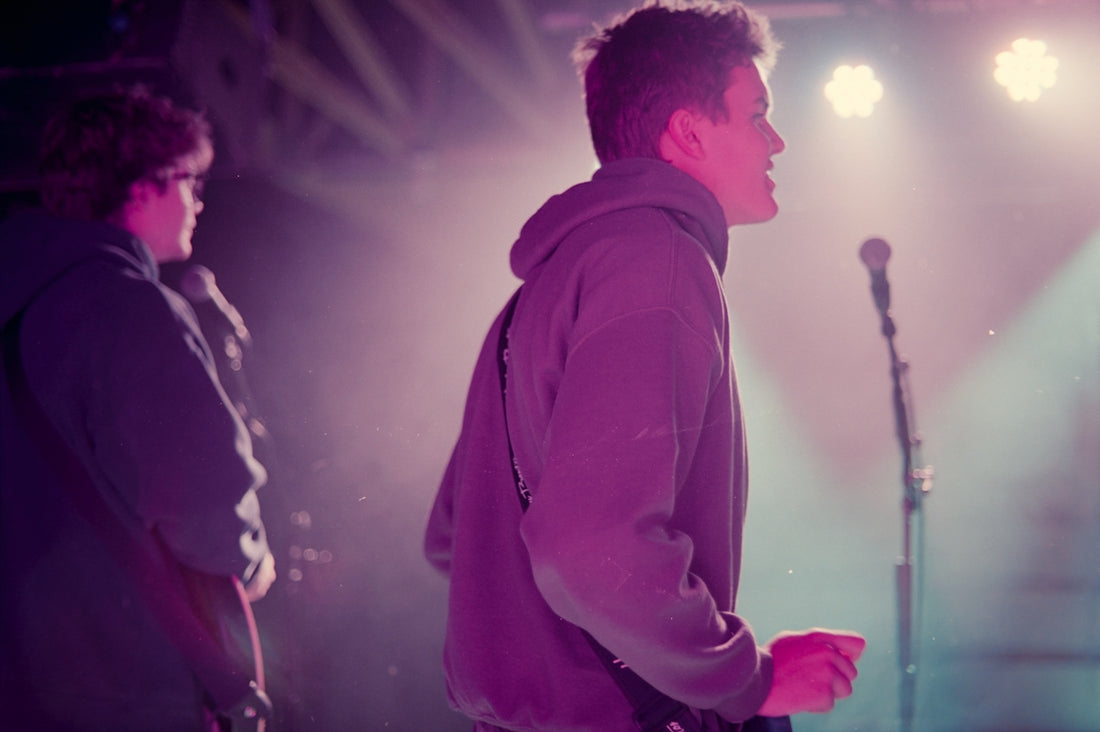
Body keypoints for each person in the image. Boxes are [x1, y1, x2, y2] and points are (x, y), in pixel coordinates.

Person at [424, 2, 866, 730]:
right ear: (689, 131)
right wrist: (739, 676)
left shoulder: (540, 290)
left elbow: (455, 537)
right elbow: (587, 546)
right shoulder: (658, 262)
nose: (776, 139)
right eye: (756, 114)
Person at [0, 86, 275, 731]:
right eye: (190, 181)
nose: (198, 201)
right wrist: (249, 558)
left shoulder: (16, 305)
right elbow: (206, 500)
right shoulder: (129, 309)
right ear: (145, 183)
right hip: (125, 684)